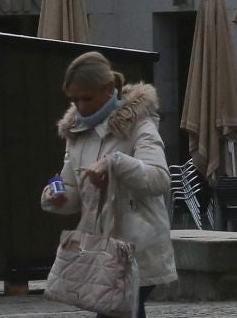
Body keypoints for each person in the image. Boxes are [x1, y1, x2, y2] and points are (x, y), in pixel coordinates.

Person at [40, 50, 176, 316]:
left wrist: (116, 162)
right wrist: (55, 197)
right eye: (74, 99)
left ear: (109, 89)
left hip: (138, 247)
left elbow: (159, 179)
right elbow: (73, 192)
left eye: (86, 98)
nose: (80, 107)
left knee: (118, 311)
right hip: (100, 249)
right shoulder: (77, 133)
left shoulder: (140, 126)